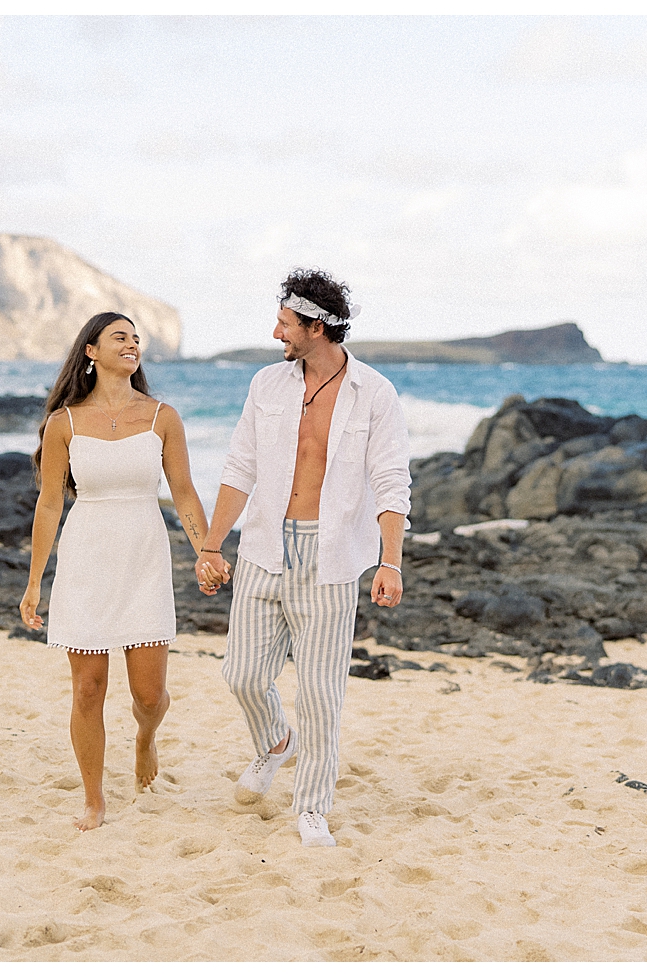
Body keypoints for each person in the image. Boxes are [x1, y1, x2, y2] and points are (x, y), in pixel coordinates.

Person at [195, 269, 411, 848]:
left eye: (285, 324)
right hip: (264, 547)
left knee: (320, 693)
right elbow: (240, 468)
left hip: (332, 554)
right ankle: (275, 742)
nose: (275, 333)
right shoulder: (267, 384)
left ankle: (311, 805)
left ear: (317, 327)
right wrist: (211, 545)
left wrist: (390, 561)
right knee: (241, 674)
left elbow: (391, 481)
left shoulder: (375, 393)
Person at [21, 311, 218, 832]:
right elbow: (48, 506)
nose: (132, 345)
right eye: (120, 337)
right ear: (92, 352)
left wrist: (206, 550)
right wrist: (34, 580)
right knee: (88, 688)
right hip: (86, 557)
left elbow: (184, 492)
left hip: (143, 558)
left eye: (136, 339)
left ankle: (145, 739)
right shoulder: (63, 423)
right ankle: (93, 797)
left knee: (149, 696)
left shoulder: (162, 418)